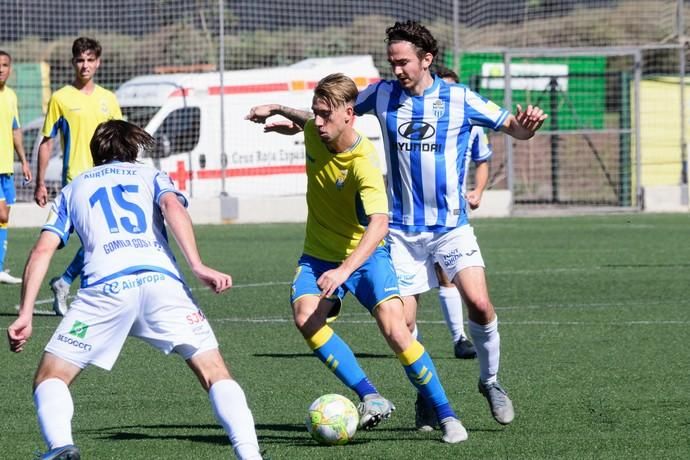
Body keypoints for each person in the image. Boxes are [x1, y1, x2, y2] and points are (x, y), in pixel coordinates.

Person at [7, 119, 262, 460]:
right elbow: (173, 207)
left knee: (51, 377)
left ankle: (61, 446)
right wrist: (198, 265)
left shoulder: (74, 188)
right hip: (162, 284)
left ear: (95, 152)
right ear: (134, 149)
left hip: (105, 290)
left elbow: (41, 251)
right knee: (215, 372)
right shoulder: (151, 176)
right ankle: (250, 456)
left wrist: (25, 313)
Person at [246, 73, 468, 443]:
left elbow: (380, 224)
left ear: (349, 114)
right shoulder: (318, 131)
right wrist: (279, 109)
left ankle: (447, 416)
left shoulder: (363, 160)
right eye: (315, 113)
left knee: (397, 331)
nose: (317, 122)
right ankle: (371, 396)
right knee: (306, 316)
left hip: (365, 257)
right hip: (317, 255)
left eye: (325, 115)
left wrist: (344, 270)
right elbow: (306, 119)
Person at [353, 21, 547, 430]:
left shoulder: (459, 98)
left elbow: (513, 128)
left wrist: (525, 129)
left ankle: (490, 381)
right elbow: (336, 111)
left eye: (403, 62)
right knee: (402, 326)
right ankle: (427, 393)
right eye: (392, 63)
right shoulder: (382, 94)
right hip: (402, 232)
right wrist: (291, 116)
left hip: (450, 227)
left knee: (479, 303)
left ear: (427, 60)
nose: (397, 70)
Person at [34, 37, 122, 316]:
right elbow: (46, 142)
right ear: (73, 63)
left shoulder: (109, 99)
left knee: (99, 240)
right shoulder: (61, 98)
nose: (85, 65)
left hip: (105, 178)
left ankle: (68, 284)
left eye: (90, 60)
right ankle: (68, 284)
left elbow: (118, 139)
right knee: (84, 240)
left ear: (98, 62)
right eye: (80, 60)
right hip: (76, 180)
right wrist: (39, 183)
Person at [0, 50, 32, 284]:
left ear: (10, 69)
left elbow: (15, 130)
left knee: (4, 218)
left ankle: (0, 267)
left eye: (5, 65)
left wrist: (23, 160)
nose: (1, 69)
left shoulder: (11, 96)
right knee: (1, 213)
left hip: (6, 167)